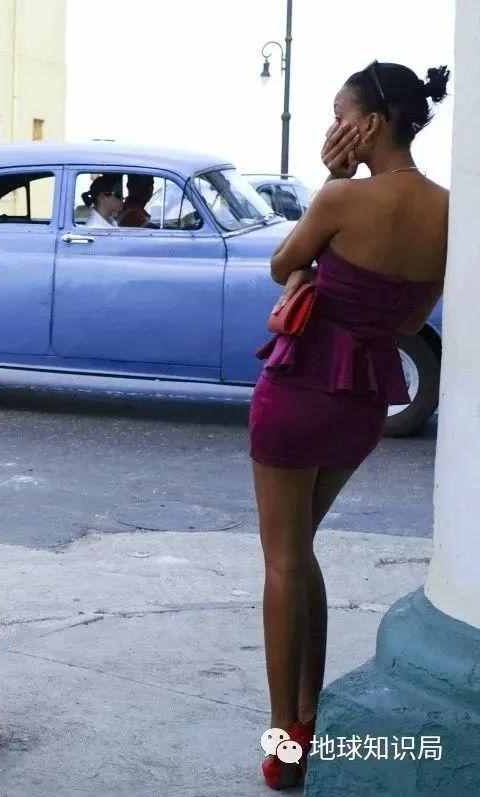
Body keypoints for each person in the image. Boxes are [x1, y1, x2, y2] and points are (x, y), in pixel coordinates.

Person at [248, 62, 449, 789]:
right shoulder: (450, 210)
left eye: (340, 115)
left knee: (282, 559)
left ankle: (285, 744)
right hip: (365, 399)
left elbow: (282, 264)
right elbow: (410, 315)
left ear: (372, 122)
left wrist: (330, 181)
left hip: (298, 388)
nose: (333, 128)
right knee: (301, 549)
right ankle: (308, 715)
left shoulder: (340, 196)